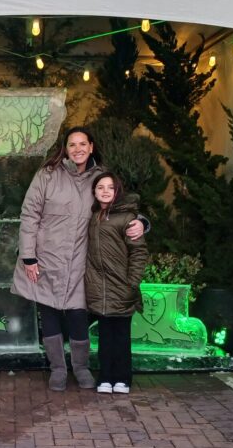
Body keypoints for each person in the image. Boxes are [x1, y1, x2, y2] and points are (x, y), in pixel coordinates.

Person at [11, 126, 145, 391]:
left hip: (83, 260)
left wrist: (141, 222)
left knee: (78, 315)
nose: (78, 149)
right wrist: (28, 257)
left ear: (91, 147)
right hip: (46, 258)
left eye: (83, 144)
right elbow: (29, 215)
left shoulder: (101, 177)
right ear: (65, 149)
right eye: (72, 145)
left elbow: (120, 206)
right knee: (48, 312)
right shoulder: (47, 175)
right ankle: (58, 369)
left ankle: (81, 368)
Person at [85, 172, 147, 395]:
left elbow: (139, 252)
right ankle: (106, 377)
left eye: (110, 188)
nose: (105, 191)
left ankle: (123, 378)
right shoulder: (93, 217)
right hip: (99, 289)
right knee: (105, 338)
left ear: (117, 191)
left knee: (121, 337)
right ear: (94, 191)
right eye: (100, 187)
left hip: (121, 287)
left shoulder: (127, 218)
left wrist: (131, 283)